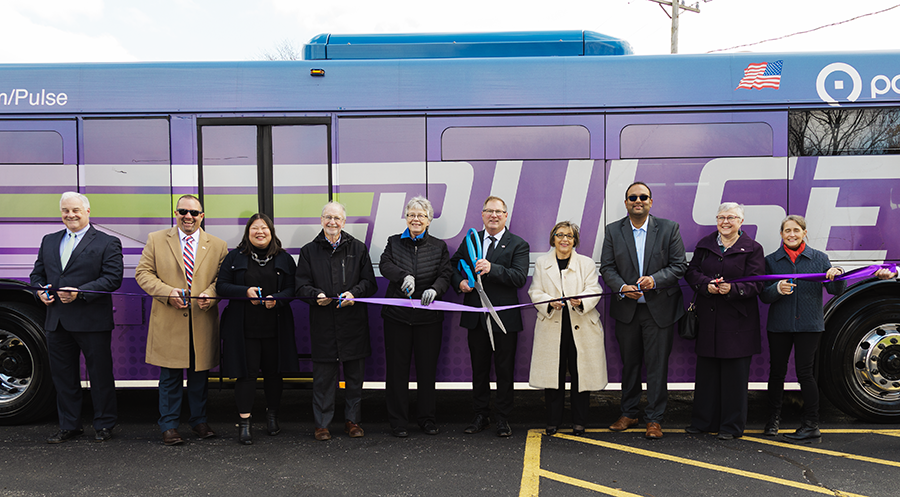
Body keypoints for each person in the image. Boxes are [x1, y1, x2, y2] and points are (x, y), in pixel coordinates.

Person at [30, 192, 123, 443]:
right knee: (63, 376)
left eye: (75, 210)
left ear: (87, 211)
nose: (70, 215)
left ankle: (104, 425)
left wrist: (81, 293)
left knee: (100, 375)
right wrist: (40, 291)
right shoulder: (49, 241)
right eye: (65, 210)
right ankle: (69, 425)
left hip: (92, 320)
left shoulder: (107, 242)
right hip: (57, 321)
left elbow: (113, 278)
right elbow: (37, 274)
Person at [135, 194, 228, 446]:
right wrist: (167, 293)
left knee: (200, 376)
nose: (188, 216)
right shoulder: (156, 239)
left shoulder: (218, 245)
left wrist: (211, 294)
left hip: (202, 320)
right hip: (169, 319)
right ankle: (169, 426)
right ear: (176, 213)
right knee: (170, 377)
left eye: (194, 213)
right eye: (183, 211)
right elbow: (142, 273)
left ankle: (199, 421)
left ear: (202, 216)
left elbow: (223, 279)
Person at [599, 181, 687, 439]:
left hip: (659, 310)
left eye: (643, 197)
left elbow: (679, 266)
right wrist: (623, 287)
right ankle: (629, 412)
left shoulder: (669, 228)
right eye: (632, 197)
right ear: (626, 203)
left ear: (651, 201)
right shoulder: (614, 230)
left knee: (657, 366)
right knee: (630, 365)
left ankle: (655, 419)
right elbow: (607, 268)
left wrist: (655, 280)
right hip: (627, 310)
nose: (638, 201)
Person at [296, 201, 377, 441]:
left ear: (344, 221)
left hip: (353, 324)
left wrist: (355, 294)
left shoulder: (358, 248)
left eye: (337, 218)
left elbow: (370, 283)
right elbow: (300, 285)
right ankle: (322, 424)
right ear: (321, 220)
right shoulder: (308, 251)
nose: (332, 222)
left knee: (354, 379)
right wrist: (315, 296)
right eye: (328, 217)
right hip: (323, 324)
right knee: (323, 380)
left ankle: (352, 421)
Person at [450, 195, 530, 438]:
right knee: (479, 369)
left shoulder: (518, 244)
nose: (493, 215)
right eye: (489, 211)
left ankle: (503, 418)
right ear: (482, 215)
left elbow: (518, 277)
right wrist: (460, 282)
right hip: (476, 317)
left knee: (504, 370)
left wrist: (491, 269)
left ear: (506, 216)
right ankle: (480, 415)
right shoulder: (470, 240)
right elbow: (453, 266)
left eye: (498, 211)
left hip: (504, 319)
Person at [683, 202, 764, 440]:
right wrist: (706, 285)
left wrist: (732, 289)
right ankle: (703, 422)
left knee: (734, 379)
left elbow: (758, 282)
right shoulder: (705, 245)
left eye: (731, 217)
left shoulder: (753, 248)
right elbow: (692, 272)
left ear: (741, 222)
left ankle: (731, 427)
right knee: (707, 376)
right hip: (709, 318)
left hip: (738, 323)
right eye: (721, 217)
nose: (725, 222)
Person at [760, 215, 844, 442]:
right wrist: (777, 288)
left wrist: (837, 274)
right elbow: (764, 295)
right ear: (781, 234)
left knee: (805, 374)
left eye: (796, 230)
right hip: (780, 325)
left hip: (809, 325)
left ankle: (811, 424)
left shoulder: (819, 258)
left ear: (804, 232)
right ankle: (772, 420)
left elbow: (835, 289)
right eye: (787, 231)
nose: (792, 234)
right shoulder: (771, 260)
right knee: (776, 372)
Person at [217, 213, 299, 445]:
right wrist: (245, 292)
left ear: (271, 232)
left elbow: (293, 289)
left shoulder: (284, 258)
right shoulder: (233, 257)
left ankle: (272, 416)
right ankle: (245, 423)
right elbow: (222, 286)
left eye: (264, 228)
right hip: (243, 329)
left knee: (274, 375)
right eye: (255, 228)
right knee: (246, 375)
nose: (260, 232)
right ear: (247, 232)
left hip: (275, 327)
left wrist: (278, 298)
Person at [380, 196, 452, 437]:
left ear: (429, 220)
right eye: (411, 214)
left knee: (426, 371)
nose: (416, 219)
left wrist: (436, 289)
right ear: (406, 217)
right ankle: (398, 422)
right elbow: (384, 265)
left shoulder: (439, 246)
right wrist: (403, 276)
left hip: (428, 320)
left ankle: (427, 419)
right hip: (397, 318)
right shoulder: (393, 242)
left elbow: (446, 274)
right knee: (396, 371)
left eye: (421, 215)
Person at [528, 221, 607, 436]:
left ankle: (579, 422)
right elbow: (535, 291)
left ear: (575, 241)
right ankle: (553, 421)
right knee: (553, 378)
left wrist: (580, 300)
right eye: (560, 235)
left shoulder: (587, 263)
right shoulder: (543, 262)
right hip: (552, 326)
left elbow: (594, 289)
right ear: (553, 238)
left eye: (570, 236)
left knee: (581, 377)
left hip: (581, 327)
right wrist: (549, 302)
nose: (565, 239)